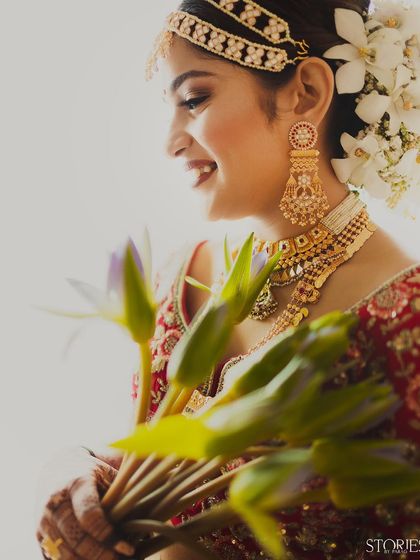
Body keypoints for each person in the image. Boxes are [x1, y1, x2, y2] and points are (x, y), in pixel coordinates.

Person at [37, 1, 420, 559]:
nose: (170, 141)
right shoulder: (182, 277)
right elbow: (146, 462)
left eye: (194, 99)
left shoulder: (403, 319)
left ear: (307, 93)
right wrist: (78, 472)